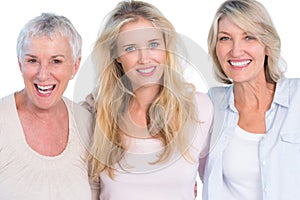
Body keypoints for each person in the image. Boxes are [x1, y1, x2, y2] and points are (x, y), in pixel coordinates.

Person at [84, 1, 213, 199]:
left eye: (153, 44)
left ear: (165, 47)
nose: (144, 58)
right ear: (115, 55)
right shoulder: (97, 113)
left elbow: (214, 181)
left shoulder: (199, 108)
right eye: (130, 48)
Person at [203, 0, 300, 199]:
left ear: (266, 45)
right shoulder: (211, 105)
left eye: (248, 37)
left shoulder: (297, 97)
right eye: (225, 38)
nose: (236, 50)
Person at [0, 13, 92, 199]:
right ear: (20, 64)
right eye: (32, 60)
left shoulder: (87, 122)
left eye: (56, 61)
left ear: (75, 66)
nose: (43, 75)